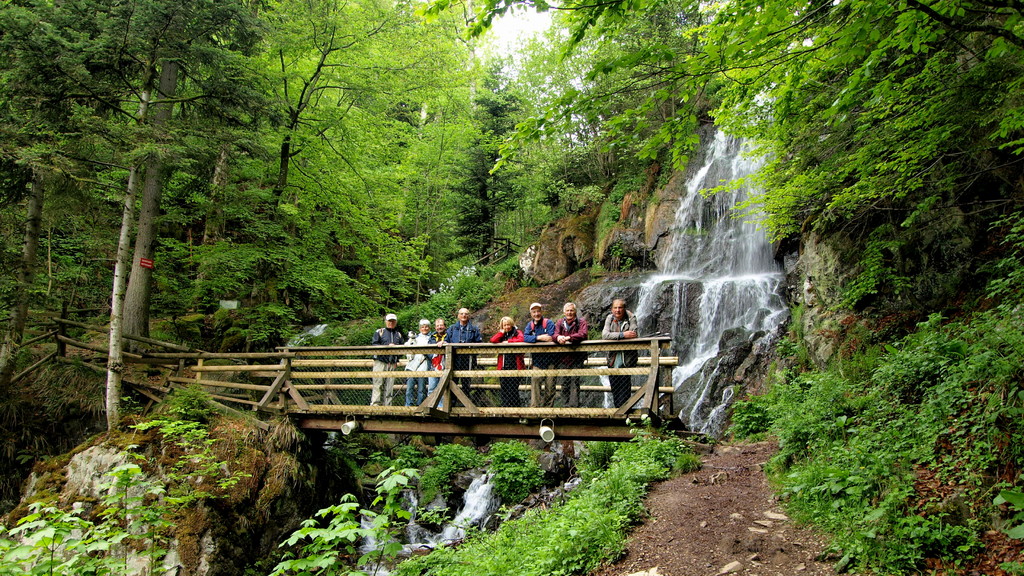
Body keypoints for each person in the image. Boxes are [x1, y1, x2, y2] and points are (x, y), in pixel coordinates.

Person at [602, 298, 640, 407]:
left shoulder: (631, 318)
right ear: (612, 309)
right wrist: (622, 335)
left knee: (624, 387)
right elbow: (605, 335)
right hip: (612, 359)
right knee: (615, 387)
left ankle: (623, 413)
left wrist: (615, 336)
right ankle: (619, 412)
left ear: (624, 308)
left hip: (626, 360)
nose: (618, 310)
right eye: (615, 307)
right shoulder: (610, 318)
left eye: (620, 307)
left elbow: (634, 333)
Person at [553, 302, 588, 407]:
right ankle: (565, 406)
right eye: (567, 310)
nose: (569, 312)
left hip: (577, 358)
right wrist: (558, 337)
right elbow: (554, 334)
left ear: (575, 311)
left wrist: (569, 338)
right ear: (564, 312)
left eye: (571, 310)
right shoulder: (560, 322)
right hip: (563, 358)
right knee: (564, 383)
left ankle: (574, 407)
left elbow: (583, 334)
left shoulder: (581, 322)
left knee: (575, 383)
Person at [523, 302, 556, 407]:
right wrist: (539, 338)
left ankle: (548, 410)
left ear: (541, 312)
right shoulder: (530, 325)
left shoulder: (549, 323)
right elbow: (525, 337)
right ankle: (535, 408)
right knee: (535, 382)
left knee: (550, 387)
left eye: (538, 311)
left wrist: (534, 338)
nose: (536, 314)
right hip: (537, 361)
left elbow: (551, 336)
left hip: (551, 360)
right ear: (531, 313)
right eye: (534, 312)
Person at [446, 308, 482, 401]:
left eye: (466, 314)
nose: (463, 315)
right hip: (454, 358)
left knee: (466, 381)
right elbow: (446, 340)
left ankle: (466, 403)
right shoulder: (452, 329)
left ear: (468, 316)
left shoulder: (474, 329)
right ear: (458, 316)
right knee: (453, 380)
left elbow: (479, 343)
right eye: (461, 314)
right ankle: (452, 403)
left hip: (468, 358)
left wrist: (472, 351)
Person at [370, 313, 406, 406]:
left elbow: (403, 349)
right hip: (380, 362)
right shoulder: (379, 332)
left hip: (393, 363)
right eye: (389, 321)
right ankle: (375, 405)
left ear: (396, 322)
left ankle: (388, 405)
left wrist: (397, 357)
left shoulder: (398, 334)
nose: (391, 323)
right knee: (378, 384)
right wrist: (387, 347)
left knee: (389, 386)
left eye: (393, 321)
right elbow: (374, 345)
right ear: (386, 322)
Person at [490, 316, 525, 407]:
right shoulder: (502, 334)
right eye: (504, 325)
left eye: (508, 324)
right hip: (503, 366)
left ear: (512, 324)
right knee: (504, 389)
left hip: (515, 366)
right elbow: (493, 340)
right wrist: (501, 333)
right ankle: (505, 409)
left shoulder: (517, 332)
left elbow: (521, 339)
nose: (506, 327)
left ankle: (516, 410)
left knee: (513, 390)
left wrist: (508, 342)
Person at [404, 319, 433, 406]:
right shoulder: (415, 338)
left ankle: (420, 405)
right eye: (422, 327)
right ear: (420, 328)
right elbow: (407, 348)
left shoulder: (431, 338)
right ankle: (408, 405)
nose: (424, 328)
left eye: (426, 327)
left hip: (423, 365)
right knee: (409, 388)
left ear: (429, 328)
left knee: (422, 389)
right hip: (412, 365)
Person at [427, 318, 447, 403]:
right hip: (433, 366)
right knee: (432, 387)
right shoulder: (431, 337)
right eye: (437, 326)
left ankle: (441, 407)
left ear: (445, 326)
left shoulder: (449, 335)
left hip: (445, 365)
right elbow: (427, 351)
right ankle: (431, 405)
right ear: (435, 328)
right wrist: (434, 355)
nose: (439, 327)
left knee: (443, 387)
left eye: (441, 325)